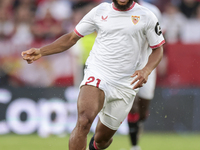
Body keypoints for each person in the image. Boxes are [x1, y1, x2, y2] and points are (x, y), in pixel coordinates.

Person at [21, 0, 165, 150]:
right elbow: (72, 38)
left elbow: (158, 49)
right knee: (84, 121)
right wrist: (41, 51)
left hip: (125, 84)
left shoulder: (147, 16)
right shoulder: (100, 11)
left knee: (102, 140)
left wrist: (146, 70)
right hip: (98, 72)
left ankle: (96, 145)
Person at [127, 1, 163, 150]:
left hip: (148, 64)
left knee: (143, 108)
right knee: (132, 105)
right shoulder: (117, 10)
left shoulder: (152, 10)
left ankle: (139, 122)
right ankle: (135, 146)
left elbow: (159, 39)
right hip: (127, 65)